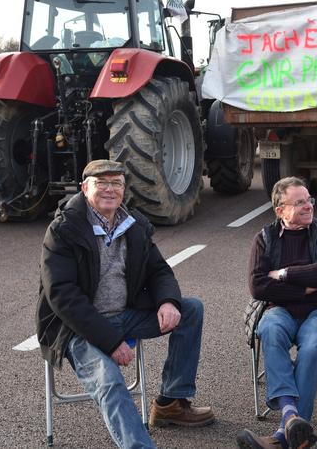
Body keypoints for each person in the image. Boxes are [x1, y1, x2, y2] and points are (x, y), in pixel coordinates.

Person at [36, 160, 214, 449]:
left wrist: (168, 302)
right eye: (101, 183)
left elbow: (159, 271)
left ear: (124, 189)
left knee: (190, 309)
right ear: (84, 188)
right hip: (77, 327)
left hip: (125, 315)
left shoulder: (134, 224)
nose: (109, 189)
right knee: (109, 380)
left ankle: (171, 403)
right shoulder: (63, 230)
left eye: (116, 183)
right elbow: (62, 295)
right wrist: (111, 341)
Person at [236, 177, 317, 449]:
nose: (308, 206)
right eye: (299, 202)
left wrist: (285, 274)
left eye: (309, 200)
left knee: (312, 350)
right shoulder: (264, 239)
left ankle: (284, 432)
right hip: (280, 310)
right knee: (270, 330)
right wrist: (306, 289)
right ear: (280, 210)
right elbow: (258, 287)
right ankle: (292, 419)